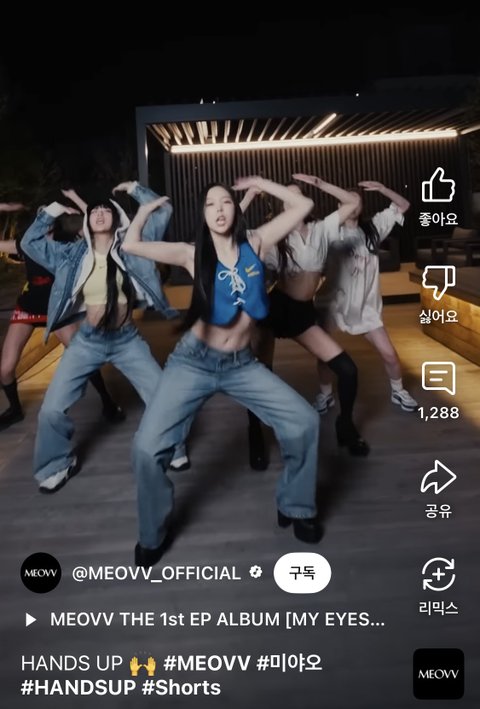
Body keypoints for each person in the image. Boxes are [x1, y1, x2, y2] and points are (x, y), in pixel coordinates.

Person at [122, 176, 322, 568]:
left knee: (304, 421)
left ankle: (296, 505)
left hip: (241, 365)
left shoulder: (257, 242)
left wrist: (262, 182)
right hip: (193, 363)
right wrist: (144, 211)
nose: (219, 209)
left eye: (226, 202)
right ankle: (153, 533)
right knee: (146, 449)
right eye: (211, 203)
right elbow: (130, 245)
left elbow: (303, 207)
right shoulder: (190, 253)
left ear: (235, 209)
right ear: (203, 213)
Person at [20, 180, 189, 494]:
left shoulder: (134, 245)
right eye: (94, 210)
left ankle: (174, 447)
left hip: (127, 340)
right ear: (87, 220)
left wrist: (136, 189)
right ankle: (55, 465)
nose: (99, 213)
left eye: (105, 209)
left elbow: (162, 210)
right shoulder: (70, 254)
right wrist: (52, 211)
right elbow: (29, 243)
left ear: (117, 216)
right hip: (87, 342)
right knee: (52, 409)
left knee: (162, 395)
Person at [240, 178, 369, 457]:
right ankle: (255, 432)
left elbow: (352, 202)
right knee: (260, 375)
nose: (293, 201)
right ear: (283, 206)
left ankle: (345, 426)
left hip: (302, 313)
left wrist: (320, 183)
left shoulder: (322, 228)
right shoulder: (274, 237)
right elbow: (231, 231)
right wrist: (249, 195)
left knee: (348, 370)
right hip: (274, 308)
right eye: (286, 198)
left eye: (297, 196)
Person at [0, 197, 125, 431]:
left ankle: (107, 403)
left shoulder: (68, 241)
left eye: (49, 213)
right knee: (5, 368)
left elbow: (94, 229)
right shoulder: (26, 243)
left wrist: (77, 205)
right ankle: (14, 410)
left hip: (57, 309)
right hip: (28, 307)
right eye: (41, 214)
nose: (45, 217)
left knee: (84, 358)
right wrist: (3, 208)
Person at [298, 176, 418, 412]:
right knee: (325, 355)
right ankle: (325, 395)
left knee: (390, 354)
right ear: (339, 205)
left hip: (365, 307)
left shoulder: (373, 229)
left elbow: (403, 205)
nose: (352, 205)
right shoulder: (328, 231)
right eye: (347, 201)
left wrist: (383, 188)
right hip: (332, 304)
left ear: (361, 206)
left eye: (357, 201)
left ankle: (398, 391)